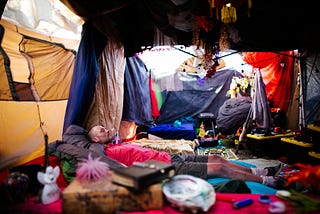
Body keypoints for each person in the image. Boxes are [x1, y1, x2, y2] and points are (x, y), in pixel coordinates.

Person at [59, 124, 283, 188]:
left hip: (174, 158)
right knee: (220, 169)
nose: (106, 130)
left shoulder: (119, 143)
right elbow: (72, 145)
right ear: (95, 140)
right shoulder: (102, 154)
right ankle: (267, 180)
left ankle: (260, 171)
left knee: (219, 159)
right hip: (167, 168)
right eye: (101, 131)